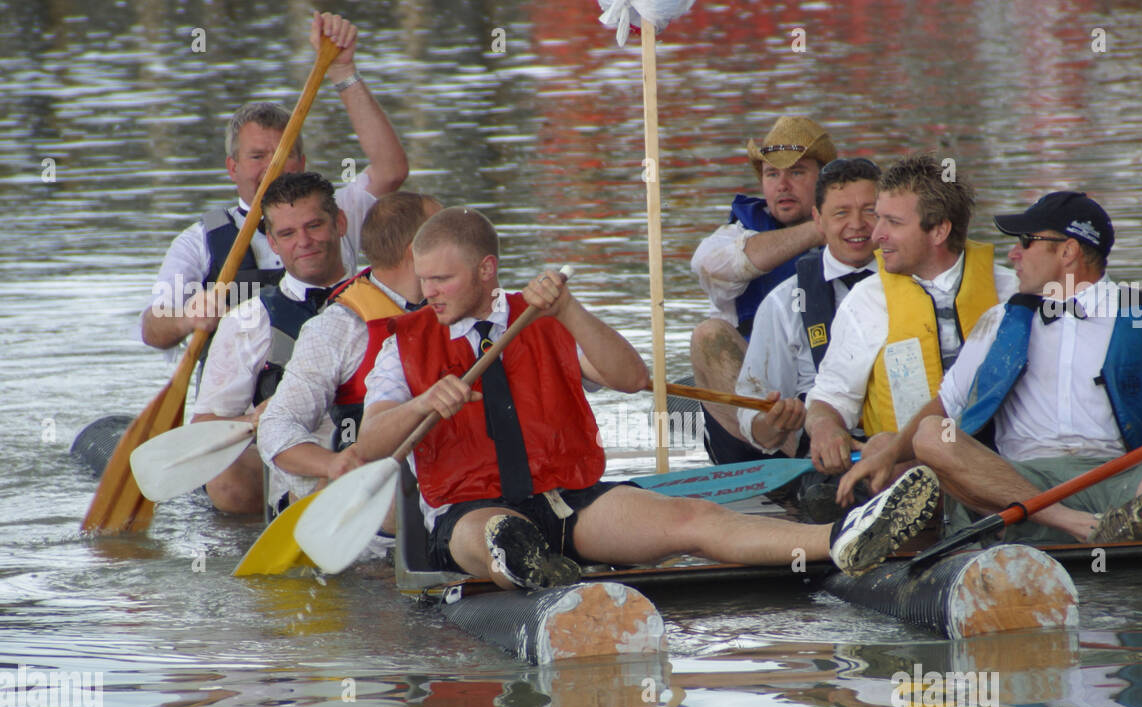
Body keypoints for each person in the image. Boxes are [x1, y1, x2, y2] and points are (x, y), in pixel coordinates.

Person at [357, 207, 941, 589]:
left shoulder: (543, 316)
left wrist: (569, 310)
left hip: (569, 503)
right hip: (468, 514)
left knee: (691, 518)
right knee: (501, 538)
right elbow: (371, 446)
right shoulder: (402, 346)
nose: (425, 293)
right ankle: (530, 572)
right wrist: (422, 404)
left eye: (441, 279)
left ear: (487, 271)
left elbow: (631, 377)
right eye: (422, 278)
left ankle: (841, 539)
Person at [836, 190, 1142, 544]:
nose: (1013, 253)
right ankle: (1080, 526)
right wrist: (887, 452)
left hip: (1130, 486)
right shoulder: (999, 319)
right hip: (1019, 485)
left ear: (1067, 252)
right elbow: (944, 406)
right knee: (928, 435)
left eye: (1025, 242)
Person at [141, 12, 408, 351]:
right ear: (232, 168)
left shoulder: (334, 214)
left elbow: (391, 169)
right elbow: (152, 328)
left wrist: (342, 72)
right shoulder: (198, 242)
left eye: (282, 157)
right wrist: (187, 319)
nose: (272, 169)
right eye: (257, 157)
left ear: (303, 163)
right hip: (243, 396)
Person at [802, 153, 1020, 482]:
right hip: (906, 467)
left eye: (894, 223)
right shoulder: (866, 300)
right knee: (882, 445)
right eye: (880, 219)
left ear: (938, 231)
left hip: (1001, 462)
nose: (876, 235)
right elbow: (830, 398)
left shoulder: (1011, 293)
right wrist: (823, 427)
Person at [257, 192, 442, 509]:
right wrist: (332, 464)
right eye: (446, 235)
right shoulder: (337, 328)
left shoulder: (456, 309)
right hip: (358, 496)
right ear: (417, 252)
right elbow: (275, 426)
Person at [191, 172, 354, 514]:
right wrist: (252, 422)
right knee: (227, 484)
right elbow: (203, 428)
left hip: (374, 461)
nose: (304, 241)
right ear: (273, 243)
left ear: (340, 222)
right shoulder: (246, 321)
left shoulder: (384, 302)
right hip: (293, 482)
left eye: (314, 226)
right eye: (288, 233)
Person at [690, 116, 836, 464]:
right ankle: (804, 456)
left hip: (828, 397)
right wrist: (822, 229)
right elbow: (708, 266)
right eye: (772, 175)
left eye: (797, 172)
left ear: (825, 180)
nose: (783, 185)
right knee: (707, 335)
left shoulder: (859, 234)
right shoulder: (734, 235)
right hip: (754, 424)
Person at [734, 157, 882, 459]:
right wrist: (775, 423)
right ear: (818, 220)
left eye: (870, 212)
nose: (857, 225)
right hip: (824, 461)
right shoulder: (782, 303)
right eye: (841, 213)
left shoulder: (919, 284)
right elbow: (757, 428)